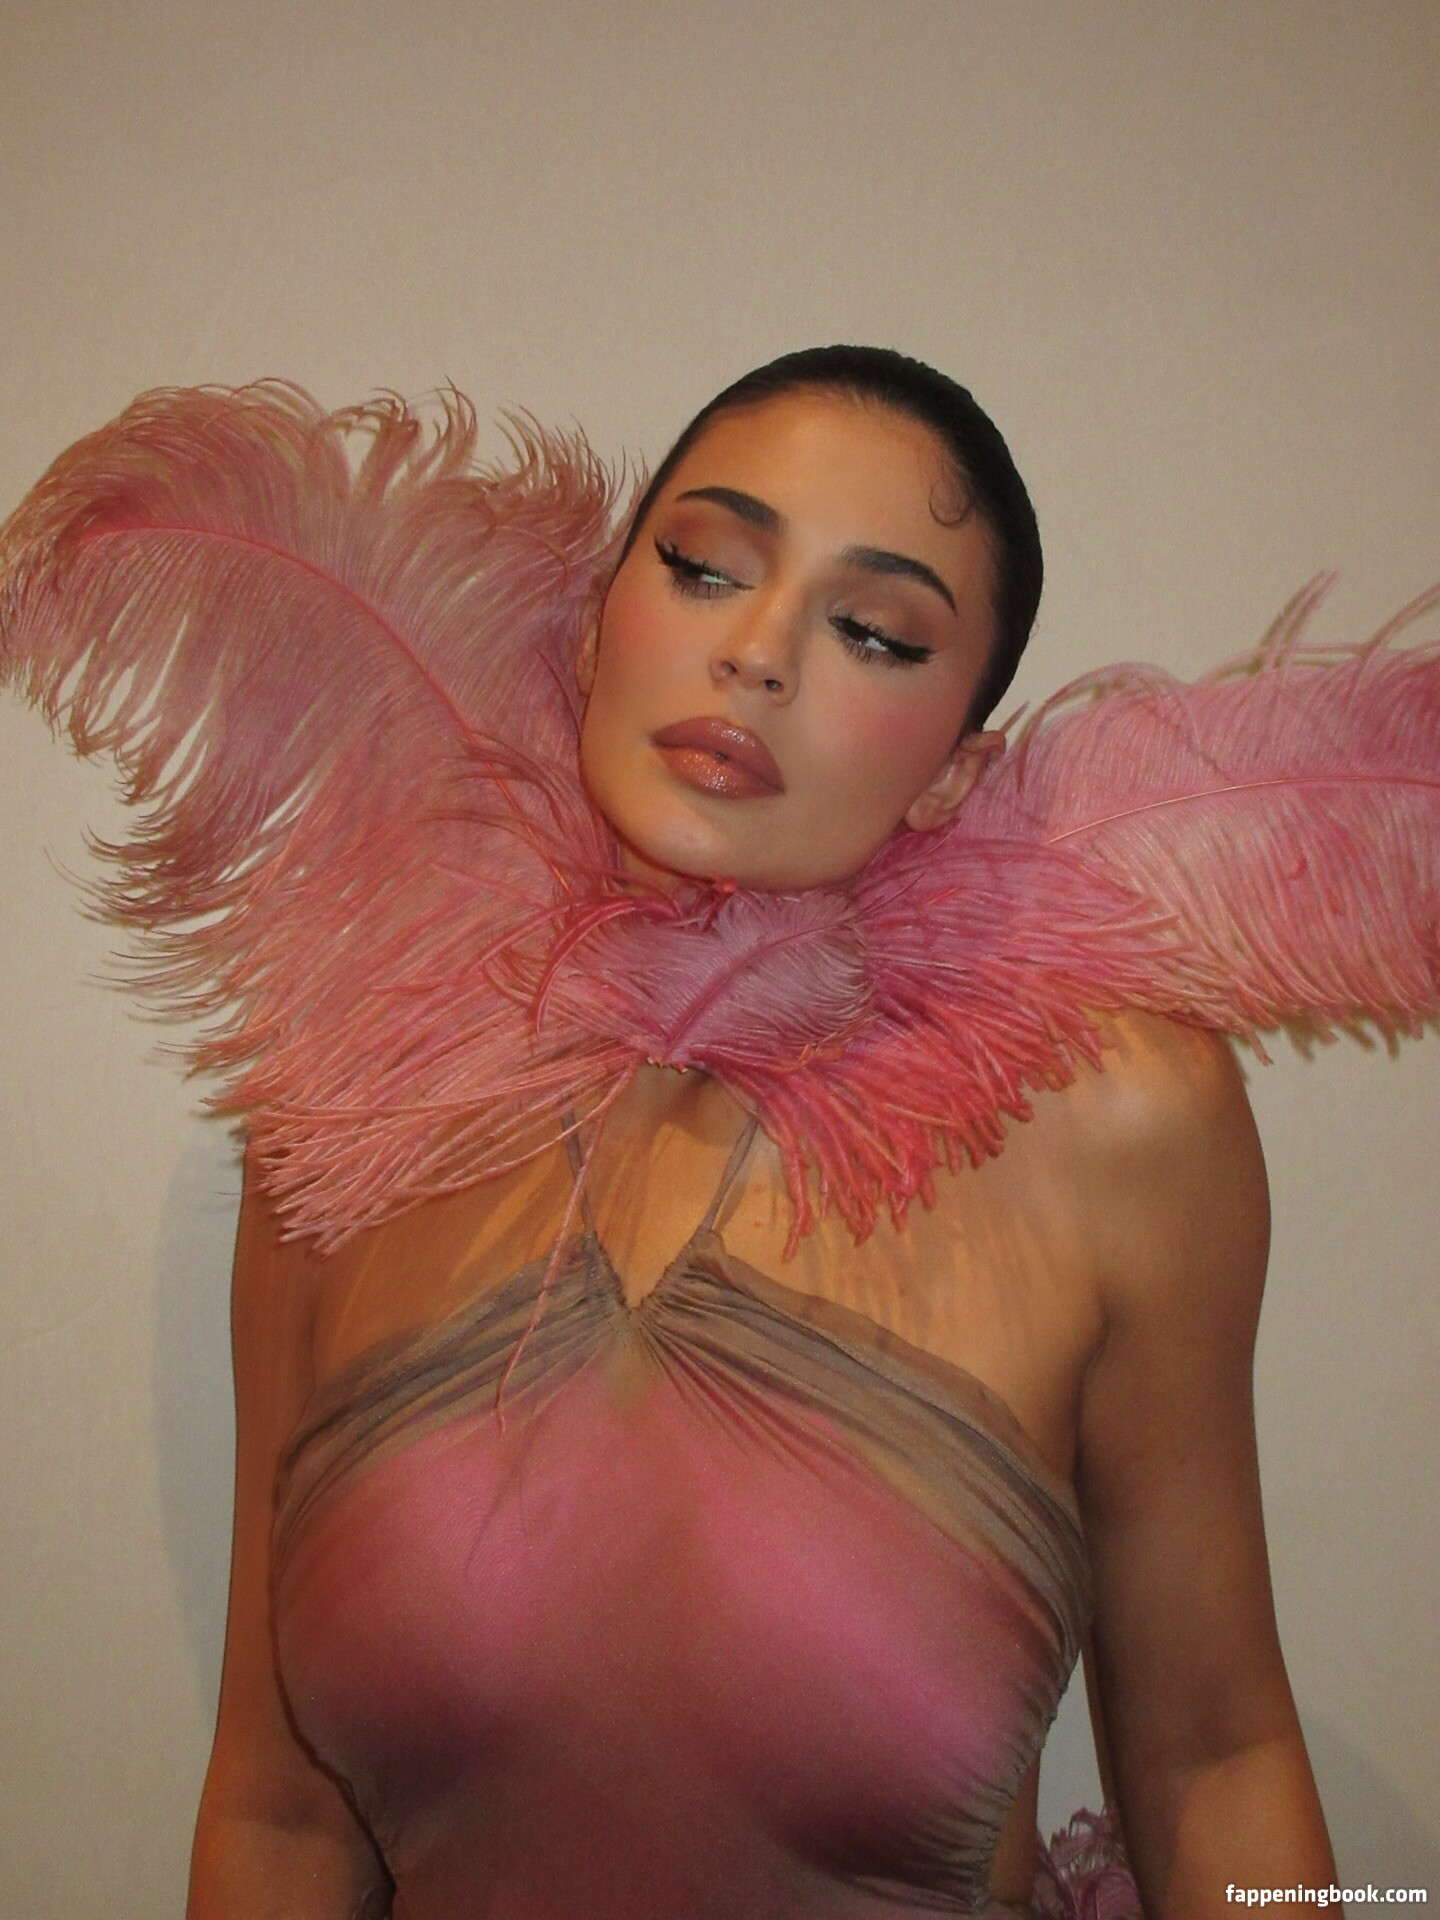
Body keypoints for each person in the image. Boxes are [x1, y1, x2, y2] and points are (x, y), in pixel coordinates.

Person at [10, 346, 1425, 1919]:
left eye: (875, 632)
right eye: (702, 566)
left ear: (955, 772)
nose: (756, 653)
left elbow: (1218, 1764)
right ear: (596, 624)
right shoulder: (351, 1114)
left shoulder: (1119, 1125)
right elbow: (278, 1820)